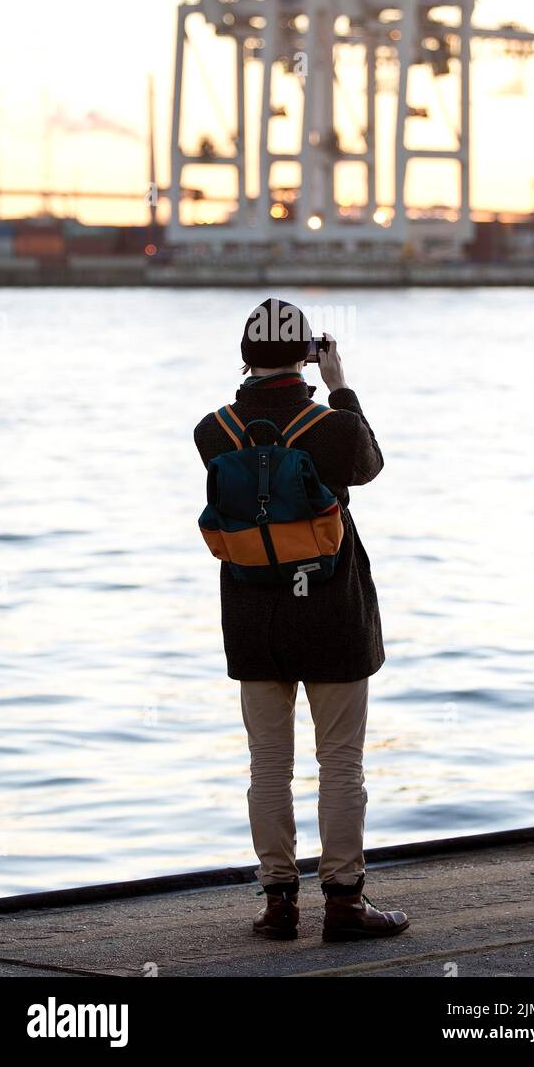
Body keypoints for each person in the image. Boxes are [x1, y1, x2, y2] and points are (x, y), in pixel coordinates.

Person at [193, 297, 409, 942]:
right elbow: (367, 465)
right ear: (305, 356)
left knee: (267, 764)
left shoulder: (213, 431)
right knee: (340, 762)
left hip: (254, 615)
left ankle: (278, 904)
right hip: (332, 612)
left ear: (243, 357)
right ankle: (344, 904)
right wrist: (341, 386)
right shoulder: (330, 426)